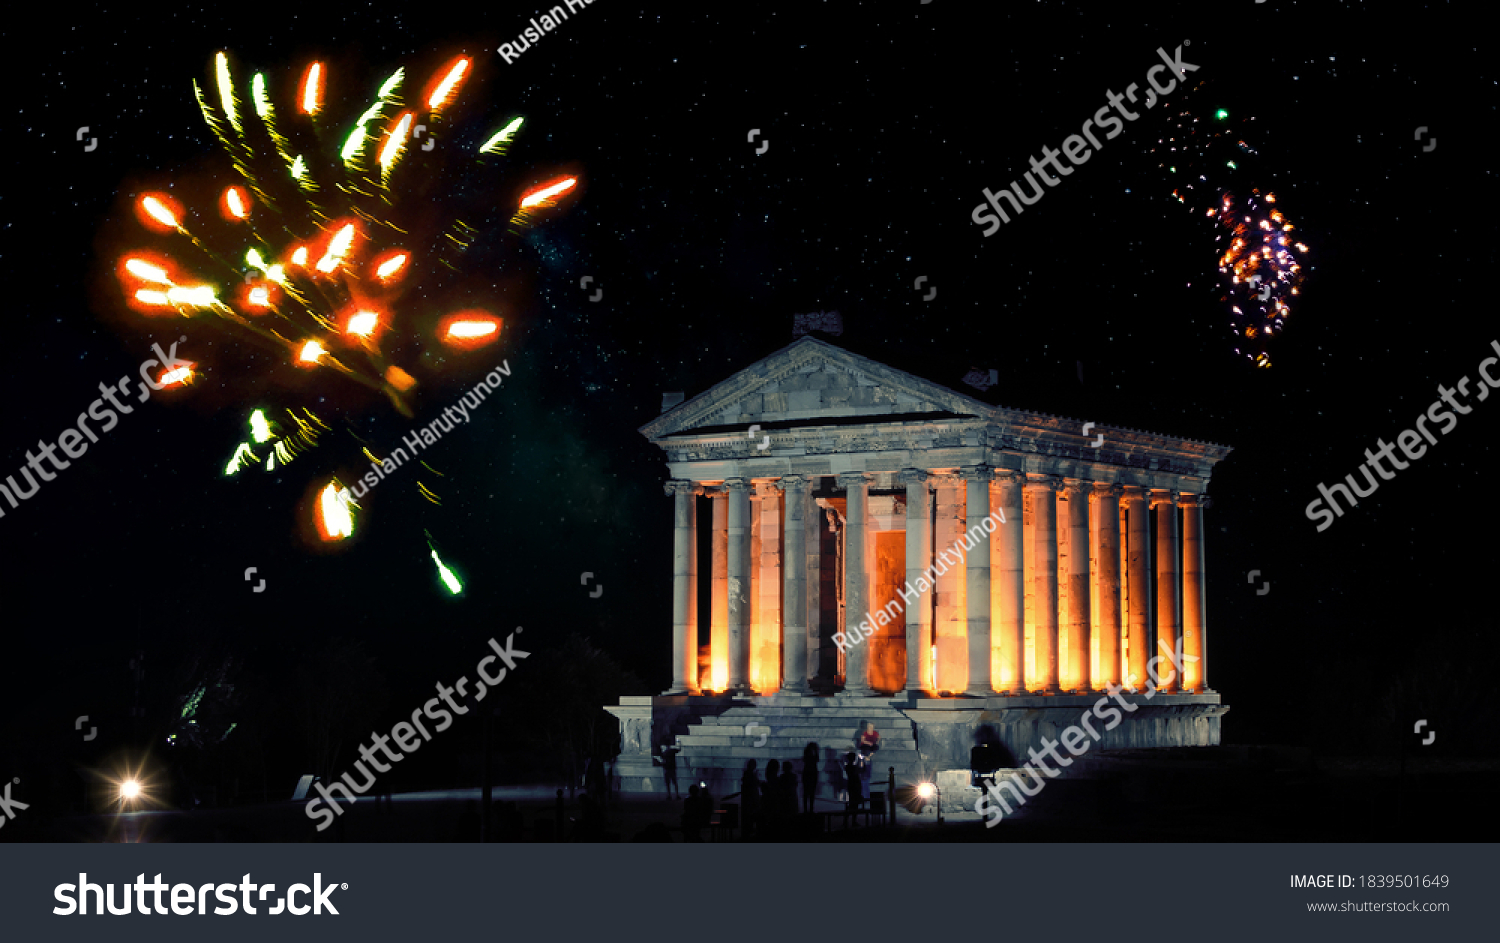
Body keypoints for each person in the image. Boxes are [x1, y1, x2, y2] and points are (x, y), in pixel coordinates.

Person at [740, 760, 762, 838]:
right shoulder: (750, 775)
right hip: (751, 800)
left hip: (749, 800)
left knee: (749, 818)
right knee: (751, 818)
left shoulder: (748, 774)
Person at [801, 743, 819, 813]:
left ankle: (806, 809)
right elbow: (817, 760)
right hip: (812, 774)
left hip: (807, 773)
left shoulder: (806, 757)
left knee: (806, 792)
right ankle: (810, 809)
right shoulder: (814, 757)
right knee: (811, 793)